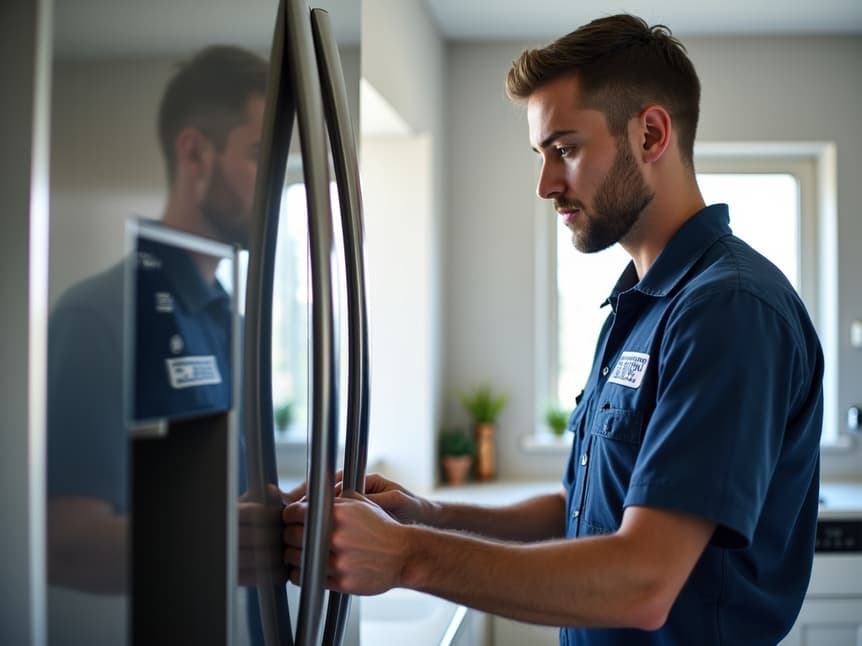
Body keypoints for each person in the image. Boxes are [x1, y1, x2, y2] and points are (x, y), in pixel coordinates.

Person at [282, 14, 824, 645]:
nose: (545, 185)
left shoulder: (728, 309)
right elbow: (582, 513)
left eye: (565, 149)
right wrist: (428, 516)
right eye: (542, 154)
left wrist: (409, 556)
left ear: (650, 134)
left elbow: (642, 581)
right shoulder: (639, 307)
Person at [46, 45, 282, 641]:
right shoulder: (97, 315)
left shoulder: (233, 318)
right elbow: (64, 541)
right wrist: (235, 541)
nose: (275, 187)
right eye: (259, 157)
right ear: (195, 152)